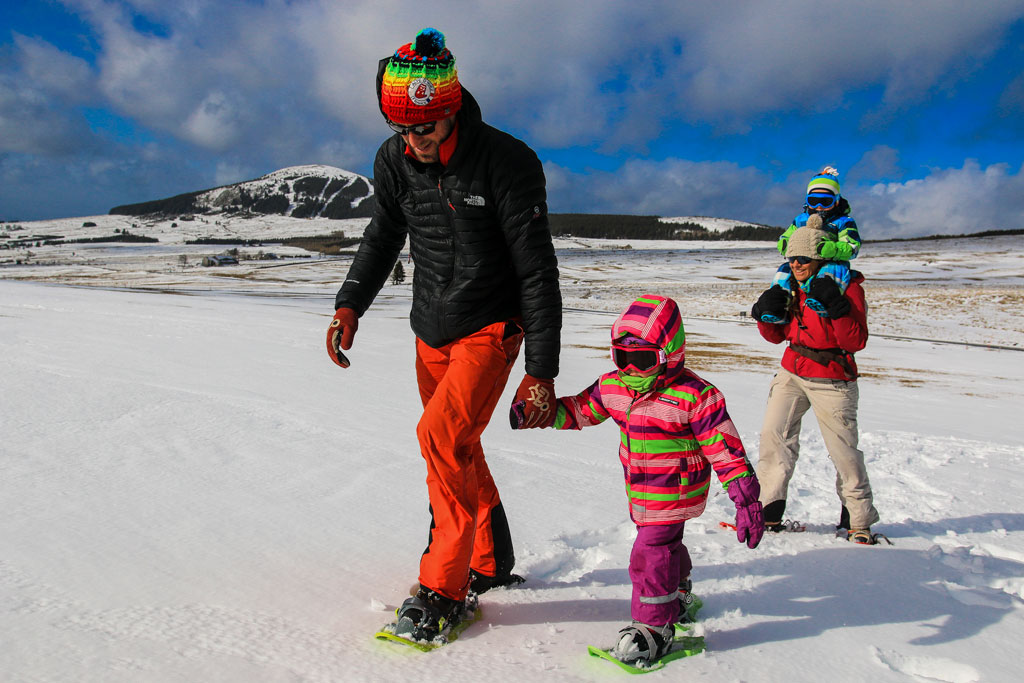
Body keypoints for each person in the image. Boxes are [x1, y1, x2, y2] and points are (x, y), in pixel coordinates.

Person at [326, 28, 562, 642]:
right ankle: (490, 560)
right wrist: (350, 303)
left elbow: (537, 269)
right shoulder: (394, 159)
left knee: (440, 439)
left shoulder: (507, 161)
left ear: (451, 109)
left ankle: (444, 587)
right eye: (402, 130)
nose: (413, 142)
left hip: (489, 327)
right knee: (457, 447)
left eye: (423, 130)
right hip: (428, 328)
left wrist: (540, 371)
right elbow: (383, 235)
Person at [513, 295, 763, 666]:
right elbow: (582, 410)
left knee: (649, 555)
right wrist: (545, 412)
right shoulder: (615, 388)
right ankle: (678, 592)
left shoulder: (695, 396)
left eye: (642, 359)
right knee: (667, 547)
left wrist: (746, 498)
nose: (630, 368)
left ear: (670, 354)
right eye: (622, 358)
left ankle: (654, 627)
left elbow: (724, 448)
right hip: (642, 489)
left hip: (676, 490)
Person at [750, 225, 882, 544]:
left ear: (820, 259)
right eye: (791, 257)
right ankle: (768, 511)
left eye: (804, 258)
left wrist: (835, 306)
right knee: (773, 437)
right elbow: (777, 336)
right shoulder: (789, 287)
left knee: (843, 451)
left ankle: (858, 521)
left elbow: (855, 340)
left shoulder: (847, 287)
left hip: (833, 376)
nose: (796, 264)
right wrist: (764, 315)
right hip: (793, 370)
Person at [757, 167, 861, 324]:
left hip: (831, 260)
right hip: (802, 258)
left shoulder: (843, 222)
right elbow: (787, 235)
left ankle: (823, 301)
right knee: (785, 270)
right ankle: (778, 304)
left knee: (832, 271)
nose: (819, 206)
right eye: (814, 201)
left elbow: (852, 246)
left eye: (826, 202)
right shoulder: (800, 220)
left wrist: (831, 250)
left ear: (836, 201)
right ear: (807, 201)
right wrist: (785, 244)